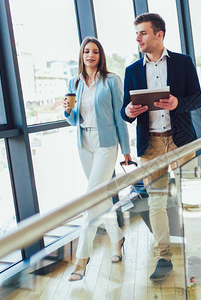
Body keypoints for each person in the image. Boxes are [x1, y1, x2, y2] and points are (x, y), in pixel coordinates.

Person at [121, 13, 201, 282]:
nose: (138, 39)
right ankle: (163, 258)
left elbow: (197, 99)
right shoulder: (132, 71)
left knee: (189, 201)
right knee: (156, 203)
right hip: (151, 144)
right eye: (137, 34)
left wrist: (178, 103)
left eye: (143, 33)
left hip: (181, 140)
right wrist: (129, 111)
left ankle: (195, 257)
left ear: (159, 35)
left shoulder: (183, 62)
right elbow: (125, 112)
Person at [64, 37, 131, 282]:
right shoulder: (74, 82)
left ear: (100, 56)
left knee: (91, 198)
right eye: (86, 51)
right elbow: (72, 121)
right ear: (81, 55)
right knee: (100, 197)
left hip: (106, 143)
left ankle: (81, 259)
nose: (90, 55)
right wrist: (67, 111)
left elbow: (119, 115)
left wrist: (126, 150)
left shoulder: (111, 80)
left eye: (95, 52)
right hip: (84, 144)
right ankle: (117, 239)